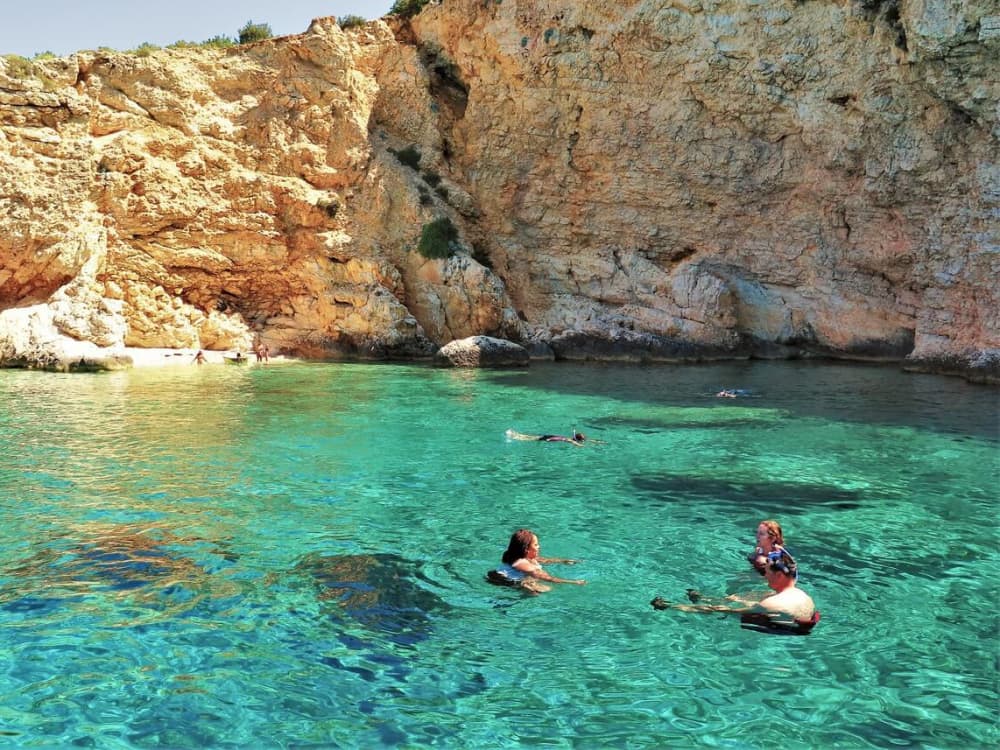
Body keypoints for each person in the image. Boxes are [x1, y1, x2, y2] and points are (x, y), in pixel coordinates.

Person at [651, 549, 819, 634]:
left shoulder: (771, 603)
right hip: (790, 620)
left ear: (780, 575)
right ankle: (705, 597)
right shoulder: (804, 596)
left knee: (724, 610)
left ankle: (669, 606)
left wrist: (673, 606)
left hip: (780, 630)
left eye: (768, 572)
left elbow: (722, 610)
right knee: (750, 598)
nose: (765, 575)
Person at [486, 528, 586, 593]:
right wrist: (573, 582)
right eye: (536, 545)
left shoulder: (517, 556)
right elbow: (548, 578)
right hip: (505, 581)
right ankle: (525, 586)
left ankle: (526, 584)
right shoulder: (524, 564)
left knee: (533, 582)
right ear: (527, 550)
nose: (539, 547)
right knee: (544, 589)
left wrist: (563, 561)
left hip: (498, 574)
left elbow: (544, 560)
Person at [505, 429, 587, 446]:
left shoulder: (571, 438)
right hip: (551, 438)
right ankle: (513, 437)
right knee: (531, 439)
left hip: (551, 435)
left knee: (532, 437)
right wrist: (550, 439)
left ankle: (513, 433)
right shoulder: (570, 440)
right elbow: (560, 439)